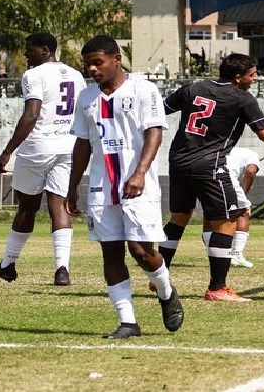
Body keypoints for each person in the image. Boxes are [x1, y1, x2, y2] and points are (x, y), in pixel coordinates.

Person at [162, 52, 264, 302]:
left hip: (177, 162)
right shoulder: (242, 98)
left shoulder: (192, 88)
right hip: (210, 166)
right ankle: (217, 288)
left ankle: (159, 276)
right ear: (238, 77)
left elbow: (158, 110)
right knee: (227, 222)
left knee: (178, 218)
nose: (255, 79)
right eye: (252, 75)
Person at [65, 35, 183, 339]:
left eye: (98, 62)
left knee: (142, 251)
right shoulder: (86, 97)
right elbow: (82, 143)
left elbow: (154, 131)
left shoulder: (143, 89)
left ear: (116, 59)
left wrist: (140, 172)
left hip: (137, 186)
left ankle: (166, 290)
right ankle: (128, 321)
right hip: (101, 188)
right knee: (111, 254)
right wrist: (72, 185)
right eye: (88, 64)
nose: (92, 68)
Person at [0, 32, 86, 286]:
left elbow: (31, 114)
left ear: (44, 50)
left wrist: (8, 150)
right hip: (68, 147)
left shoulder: (34, 75)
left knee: (27, 207)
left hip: (37, 148)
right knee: (59, 206)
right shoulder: (75, 75)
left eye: (29, 49)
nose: (25, 54)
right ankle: (62, 269)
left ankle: (8, 266)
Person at [155, 147, 261, 275]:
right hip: (225, 180)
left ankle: (213, 253)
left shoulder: (212, 149)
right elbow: (250, 171)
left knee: (208, 215)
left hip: (201, 177)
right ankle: (236, 254)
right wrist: (244, 193)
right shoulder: (251, 154)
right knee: (243, 211)